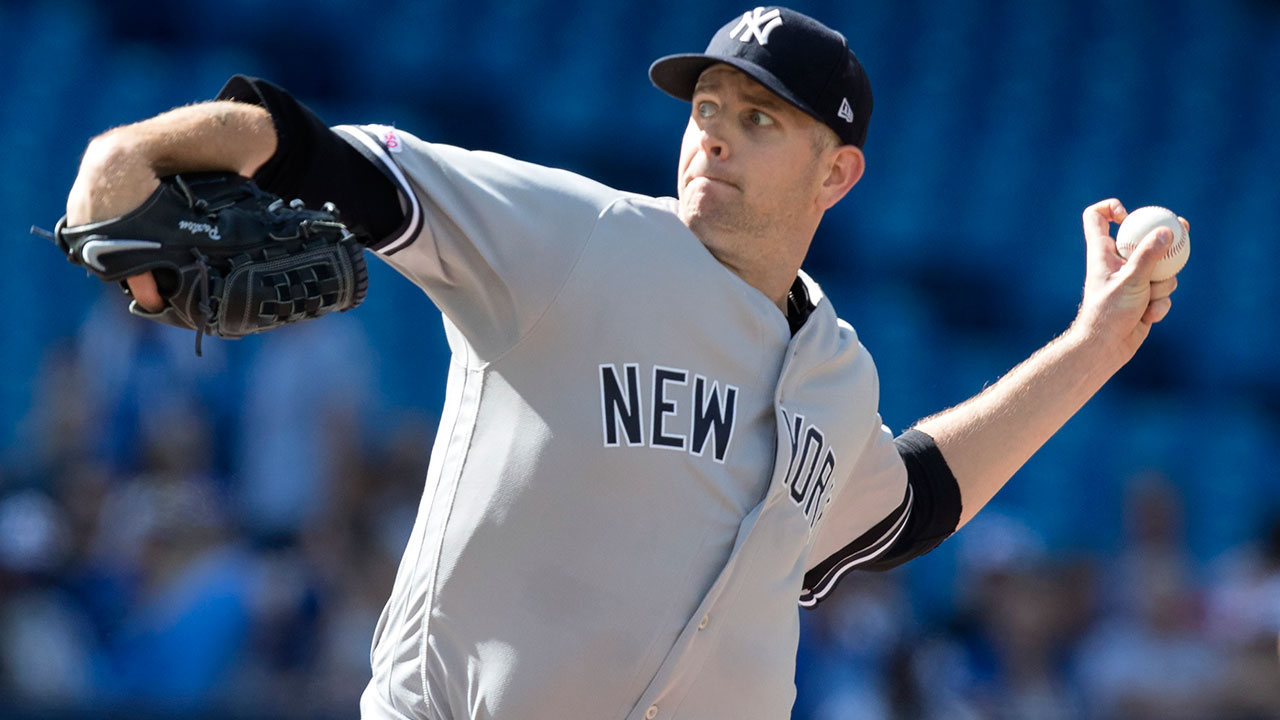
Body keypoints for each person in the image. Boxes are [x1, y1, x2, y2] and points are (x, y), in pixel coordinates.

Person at [62, 6, 1180, 719]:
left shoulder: (839, 372)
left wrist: (1094, 344)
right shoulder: (573, 236)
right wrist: (138, 153)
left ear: (834, 176)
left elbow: (910, 504)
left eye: (758, 119)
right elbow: (321, 157)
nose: (714, 134)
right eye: (706, 107)